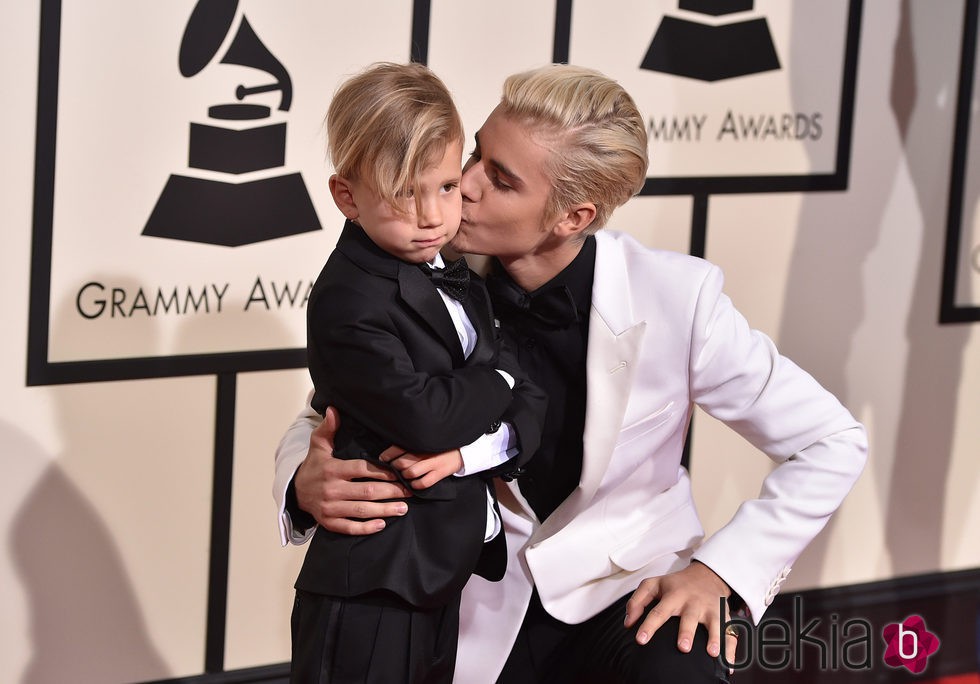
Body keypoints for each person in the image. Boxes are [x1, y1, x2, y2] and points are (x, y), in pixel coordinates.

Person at [275, 64, 867, 683]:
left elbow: (830, 441)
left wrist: (720, 573)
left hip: (625, 589)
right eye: (476, 155)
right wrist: (302, 481)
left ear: (571, 218)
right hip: (473, 596)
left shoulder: (676, 299)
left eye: (500, 181)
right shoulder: (422, 264)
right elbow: (329, 409)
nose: (464, 185)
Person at [290, 62, 546, 684]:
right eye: (406, 192)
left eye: (446, 187)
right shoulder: (349, 300)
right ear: (347, 196)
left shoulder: (454, 265)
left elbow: (529, 404)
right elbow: (429, 418)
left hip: (437, 575)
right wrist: (502, 383)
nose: (433, 215)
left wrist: (493, 411)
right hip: (373, 582)